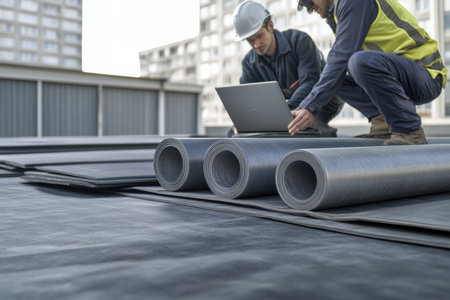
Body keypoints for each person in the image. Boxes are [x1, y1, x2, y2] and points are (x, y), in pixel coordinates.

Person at [289, 0, 447, 145]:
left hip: (425, 75)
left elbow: (341, 57)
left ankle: (409, 130)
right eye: (304, 4)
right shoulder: (336, 14)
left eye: (308, 0)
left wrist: (309, 107)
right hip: (398, 76)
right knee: (330, 75)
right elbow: (335, 66)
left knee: (358, 62)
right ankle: (383, 124)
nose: (309, 8)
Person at [232, 0, 343, 137]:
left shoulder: (300, 41)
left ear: (270, 26)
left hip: (323, 100)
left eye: (259, 36)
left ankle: (326, 139)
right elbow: (247, 97)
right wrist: (242, 120)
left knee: (299, 128)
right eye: (250, 41)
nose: (256, 44)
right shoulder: (249, 63)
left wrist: (284, 114)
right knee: (235, 132)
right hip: (286, 106)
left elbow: (310, 81)